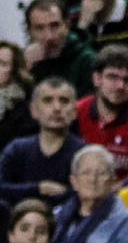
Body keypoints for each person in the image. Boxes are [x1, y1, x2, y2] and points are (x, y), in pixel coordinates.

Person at [75, 44, 128, 181]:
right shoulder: (77, 112)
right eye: (112, 77)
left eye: (127, 80)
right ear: (97, 79)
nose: (120, 86)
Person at [0, 77, 82, 207]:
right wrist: (38, 188)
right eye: (48, 101)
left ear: (75, 111)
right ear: (33, 110)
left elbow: (89, 195)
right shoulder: (17, 149)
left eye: (64, 101)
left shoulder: (85, 154)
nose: (57, 108)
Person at [24, 0, 94, 96]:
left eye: (54, 26)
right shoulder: (27, 62)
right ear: (29, 32)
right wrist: (25, 70)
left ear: (67, 25)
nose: (49, 36)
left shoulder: (86, 59)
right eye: (39, 28)